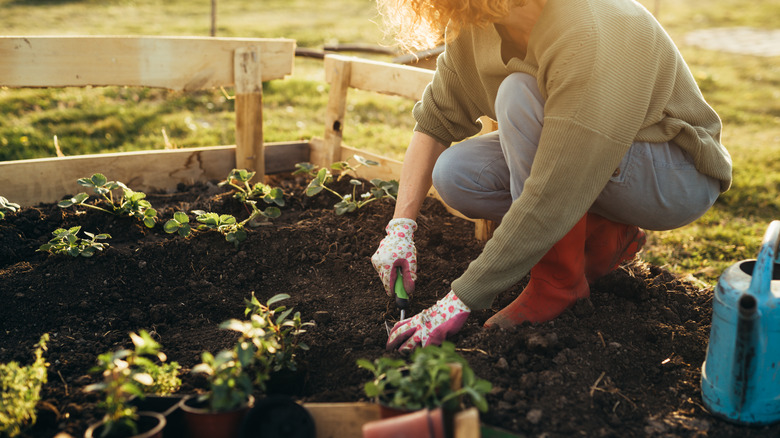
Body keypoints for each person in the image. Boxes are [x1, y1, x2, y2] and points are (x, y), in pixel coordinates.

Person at [371, 0, 732, 352]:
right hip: (595, 157)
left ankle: (558, 282)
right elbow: (435, 120)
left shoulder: (586, 27)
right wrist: (400, 228)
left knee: (518, 94)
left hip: (674, 173)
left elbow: (553, 190)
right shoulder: (476, 24)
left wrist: (460, 299)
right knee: (456, 173)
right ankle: (604, 232)